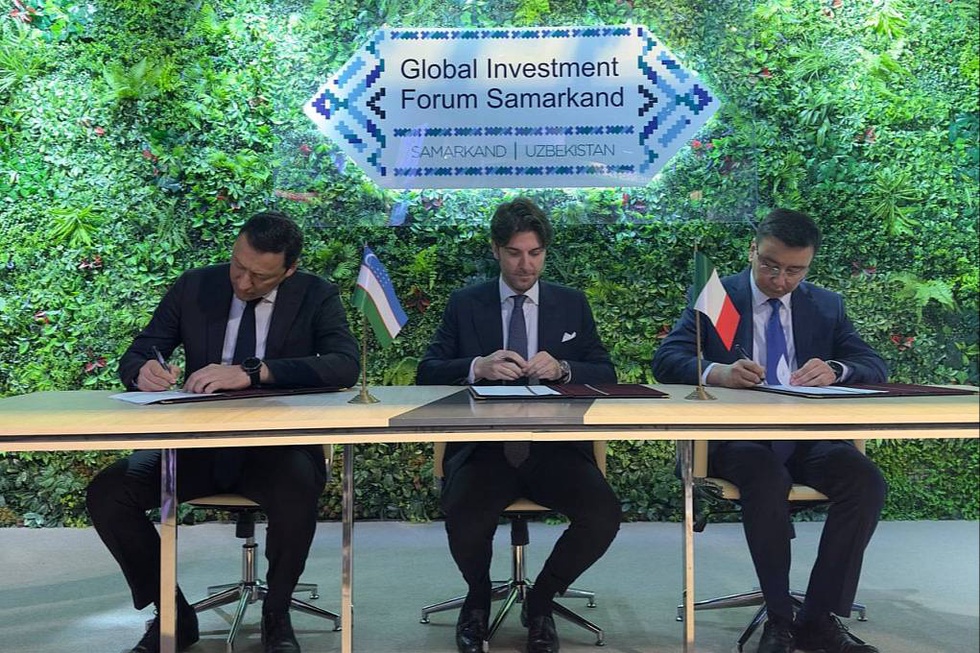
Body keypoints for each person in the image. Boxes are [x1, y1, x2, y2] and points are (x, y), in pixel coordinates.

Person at [86, 211, 359, 653]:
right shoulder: (195, 285)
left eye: (260, 276)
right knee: (109, 493)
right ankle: (172, 613)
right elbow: (140, 350)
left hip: (275, 446)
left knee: (297, 490)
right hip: (197, 446)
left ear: (289, 270)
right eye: (238, 266)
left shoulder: (316, 294)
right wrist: (144, 371)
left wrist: (254, 371)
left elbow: (344, 364)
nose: (244, 283)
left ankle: (277, 613)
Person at [652, 208, 887, 653]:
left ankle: (817, 618)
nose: (780, 280)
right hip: (737, 440)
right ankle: (779, 618)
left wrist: (836, 369)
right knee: (765, 476)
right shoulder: (718, 297)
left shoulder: (825, 305)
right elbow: (667, 360)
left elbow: (873, 364)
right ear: (753, 251)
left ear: (810, 264)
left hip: (807, 439)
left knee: (866, 482)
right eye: (770, 266)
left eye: (795, 271)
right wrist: (719, 372)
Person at [416, 197, 622, 653]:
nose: (525, 265)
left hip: (555, 450)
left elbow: (606, 372)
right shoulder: (466, 304)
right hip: (485, 449)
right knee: (465, 515)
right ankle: (476, 599)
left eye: (535, 253)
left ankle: (542, 601)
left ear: (545, 251)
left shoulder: (571, 303)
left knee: (603, 515)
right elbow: (426, 371)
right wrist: (477, 366)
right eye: (514, 253)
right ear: (495, 250)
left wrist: (565, 368)